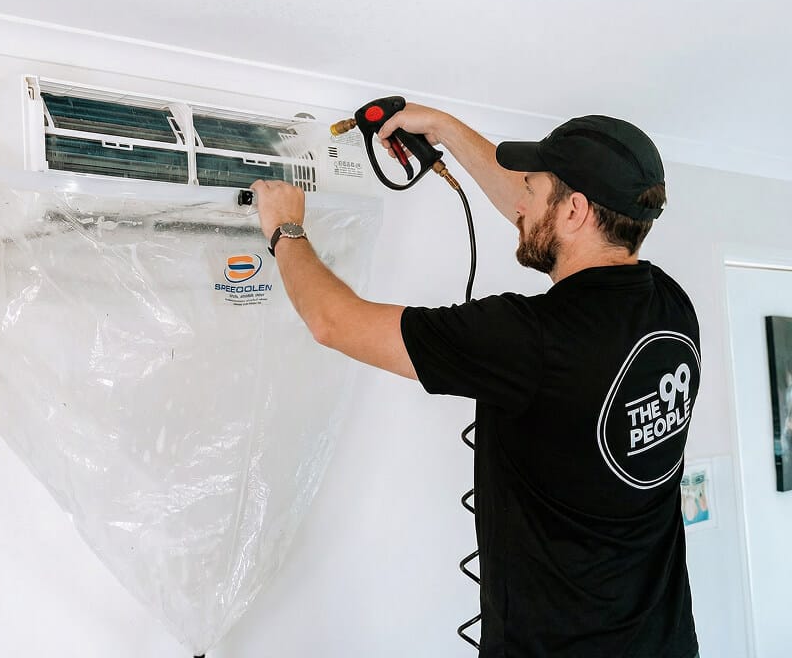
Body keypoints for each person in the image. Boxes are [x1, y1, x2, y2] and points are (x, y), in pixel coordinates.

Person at [250, 103, 701, 658]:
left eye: (531, 191)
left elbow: (333, 321)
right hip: (662, 641)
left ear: (576, 211)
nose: (518, 203)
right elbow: (529, 202)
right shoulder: (672, 309)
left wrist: (284, 227)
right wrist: (439, 127)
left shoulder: (529, 338)